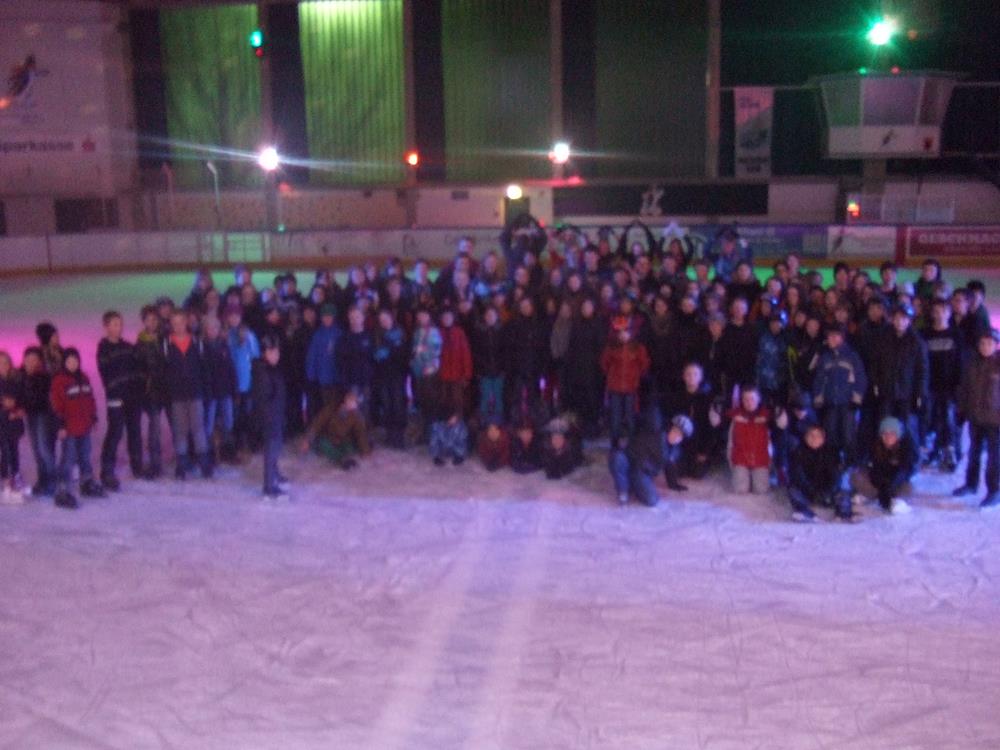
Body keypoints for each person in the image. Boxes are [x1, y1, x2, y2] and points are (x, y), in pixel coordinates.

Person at [50, 347, 104, 508]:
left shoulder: (84, 378)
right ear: (64, 363)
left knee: (85, 456)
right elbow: (56, 404)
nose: (73, 364)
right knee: (68, 459)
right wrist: (60, 424)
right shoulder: (59, 381)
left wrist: (93, 417)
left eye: (75, 361)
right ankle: (63, 489)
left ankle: (86, 482)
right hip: (69, 428)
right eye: (69, 361)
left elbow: (90, 399)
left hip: (84, 426)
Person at [96, 310, 144, 490]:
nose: (119, 327)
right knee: (115, 432)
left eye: (120, 324)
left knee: (134, 431)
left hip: (133, 397)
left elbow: (137, 369)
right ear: (106, 327)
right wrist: (117, 391)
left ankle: (137, 465)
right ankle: (107, 470)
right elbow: (106, 375)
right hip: (116, 398)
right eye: (115, 324)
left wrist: (137, 388)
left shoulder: (128, 347)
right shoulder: (104, 349)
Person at [953, 329, 1000, 509]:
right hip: (976, 417)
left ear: (996, 345)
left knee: (994, 457)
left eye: (989, 344)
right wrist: (961, 410)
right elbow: (964, 389)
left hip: (995, 420)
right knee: (973, 452)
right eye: (982, 344)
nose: (985, 347)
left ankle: (994, 490)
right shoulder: (972, 364)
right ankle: (970, 484)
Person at [163, 310, 212, 480]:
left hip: (195, 392)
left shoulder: (197, 342)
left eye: (181, 322)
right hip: (177, 395)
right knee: (180, 430)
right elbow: (164, 370)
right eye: (174, 323)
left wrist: (205, 390)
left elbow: (204, 368)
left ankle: (204, 462)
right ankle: (182, 463)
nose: (178, 326)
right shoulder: (166, 344)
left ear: (186, 323)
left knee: (198, 429)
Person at [811, 323, 866, 468]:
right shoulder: (825, 357)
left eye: (834, 336)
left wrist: (856, 399)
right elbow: (819, 379)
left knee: (848, 435)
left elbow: (860, 379)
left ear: (841, 338)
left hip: (847, 403)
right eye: (829, 336)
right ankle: (833, 463)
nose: (831, 339)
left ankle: (851, 464)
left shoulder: (852, 356)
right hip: (830, 402)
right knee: (831, 434)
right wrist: (818, 399)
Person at [716, 384, 787, 495]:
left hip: (761, 459)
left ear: (759, 399)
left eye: (752, 399)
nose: (749, 403)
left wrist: (779, 409)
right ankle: (743, 475)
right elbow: (718, 420)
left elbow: (782, 427)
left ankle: (762, 475)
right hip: (740, 458)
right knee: (740, 489)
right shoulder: (735, 414)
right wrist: (717, 407)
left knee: (761, 490)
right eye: (746, 399)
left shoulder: (767, 415)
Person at [921, 298, 963, 471]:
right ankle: (933, 452)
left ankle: (949, 453)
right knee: (930, 420)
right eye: (936, 311)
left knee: (948, 420)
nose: (939, 314)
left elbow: (960, 362)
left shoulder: (956, 335)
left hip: (949, 387)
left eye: (943, 311)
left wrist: (958, 387)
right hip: (930, 386)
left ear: (949, 313)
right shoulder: (925, 334)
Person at [851, 417, 918, 515]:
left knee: (907, 487)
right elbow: (871, 467)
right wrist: (881, 484)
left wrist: (889, 485)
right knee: (856, 477)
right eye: (885, 434)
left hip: (895, 483)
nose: (888, 437)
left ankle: (896, 502)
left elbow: (905, 470)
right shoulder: (875, 446)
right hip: (878, 482)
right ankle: (871, 496)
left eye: (892, 434)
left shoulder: (906, 448)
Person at [787, 424, 852, 522]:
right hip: (808, 492)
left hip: (828, 492)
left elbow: (836, 475)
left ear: (823, 438)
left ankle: (843, 514)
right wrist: (812, 491)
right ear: (805, 437)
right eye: (811, 435)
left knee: (844, 488)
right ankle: (804, 512)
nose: (814, 439)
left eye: (818, 436)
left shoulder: (832, 453)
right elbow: (798, 476)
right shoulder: (798, 452)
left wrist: (827, 492)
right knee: (793, 490)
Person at [600, 317, 650, 441]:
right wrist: (611, 375)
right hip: (615, 387)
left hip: (631, 387)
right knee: (615, 416)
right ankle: (615, 442)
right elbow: (604, 363)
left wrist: (636, 376)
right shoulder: (611, 347)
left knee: (630, 416)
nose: (623, 335)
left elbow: (644, 364)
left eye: (625, 331)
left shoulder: (638, 348)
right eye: (620, 332)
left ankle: (632, 443)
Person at [252, 335, 289, 500]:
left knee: (276, 446)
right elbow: (265, 398)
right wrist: (269, 418)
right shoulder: (263, 371)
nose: (275, 355)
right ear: (264, 353)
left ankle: (274, 473)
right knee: (271, 449)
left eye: (277, 352)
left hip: (276, 415)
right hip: (269, 418)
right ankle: (268, 485)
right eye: (271, 352)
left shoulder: (273, 369)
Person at [300, 386, 371, 470]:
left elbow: (360, 434)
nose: (351, 402)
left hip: (344, 440)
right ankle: (342, 459)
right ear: (345, 397)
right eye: (350, 398)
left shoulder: (356, 416)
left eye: (355, 401)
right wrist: (307, 440)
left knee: (349, 447)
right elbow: (317, 424)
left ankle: (346, 457)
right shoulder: (331, 408)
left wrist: (365, 451)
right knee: (324, 446)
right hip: (328, 438)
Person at [135, 305, 168, 479]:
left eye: (154, 319)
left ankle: (185, 456)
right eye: (148, 320)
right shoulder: (140, 342)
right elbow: (138, 366)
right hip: (151, 391)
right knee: (154, 427)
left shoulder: (165, 338)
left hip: (167, 388)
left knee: (176, 424)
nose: (152, 323)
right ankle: (155, 463)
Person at [202, 315, 238, 464]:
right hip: (210, 392)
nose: (213, 330)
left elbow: (231, 368)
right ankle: (209, 454)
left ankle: (227, 452)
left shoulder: (224, 345)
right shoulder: (202, 347)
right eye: (210, 328)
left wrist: (234, 388)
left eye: (216, 327)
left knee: (228, 422)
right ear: (205, 329)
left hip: (225, 390)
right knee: (209, 425)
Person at [21, 347, 56, 496]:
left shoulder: (44, 377)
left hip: (44, 415)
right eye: (28, 359)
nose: (31, 363)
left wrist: (24, 408)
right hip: (31, 416)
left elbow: (41, 400)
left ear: (40, 361)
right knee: (36, 450)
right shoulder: (21, 376)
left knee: (44, 448)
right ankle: (43, 480)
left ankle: (52, 481)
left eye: (34, 359)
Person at [372, 308, 409, 449]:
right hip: (383, 374)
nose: (384, 322)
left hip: (398, 373)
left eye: (386, 319)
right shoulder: (377, 335)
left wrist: (391, 351)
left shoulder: (400, 332)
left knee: (398, 403)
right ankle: (390, 434)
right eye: (381, 320)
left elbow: (404, 353)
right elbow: (377, 355)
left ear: (391, 318)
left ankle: (399, 436)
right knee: (387, 404)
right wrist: (385, 352)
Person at [608, 412, 663, 506]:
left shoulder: (653, 436)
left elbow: (658, 462)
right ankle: (623, 490)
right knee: (617, 458)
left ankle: (635, 485)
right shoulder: (625, 432)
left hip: (640, 470)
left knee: (651, 500)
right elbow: (617, 450)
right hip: (629, 461)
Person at [0, 351, 26, 503]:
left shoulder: (16, 381)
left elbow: (22, 399)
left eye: (5, 362)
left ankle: (15, 477)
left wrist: (18, 410)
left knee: (14, 450)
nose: (3, 366)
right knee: (5, 452)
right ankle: (6, 482)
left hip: (14, 423)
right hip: (2, 423)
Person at [305, 303, 341, 408]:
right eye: (324, 316)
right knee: (327, 406)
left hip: (337, 377)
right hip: (323, 377)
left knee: (337, 405)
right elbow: (312, 355)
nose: (327, 319)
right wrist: (311, 374)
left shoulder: (339, 333)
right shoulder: (318, 335)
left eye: (329, 316)